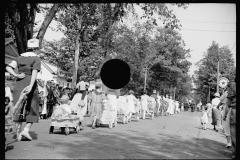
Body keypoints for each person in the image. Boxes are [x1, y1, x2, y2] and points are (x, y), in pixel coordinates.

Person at [5, 38, 41, 141]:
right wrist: (31, 85)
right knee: (33, 106)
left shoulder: (19, 58)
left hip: (19, 83)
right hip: (30, 83)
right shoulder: (36, 58)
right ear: (36, 48)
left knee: (18, 105)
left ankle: (17, 131)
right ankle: (25, 130)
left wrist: (16, 75)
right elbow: (34, 72)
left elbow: (8, 67)